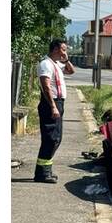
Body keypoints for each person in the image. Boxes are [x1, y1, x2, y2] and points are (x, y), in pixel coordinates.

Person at [35, 38, 74, 184]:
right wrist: (52, 106)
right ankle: (42, 174)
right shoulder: (46, 64)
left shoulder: (56, 64)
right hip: (50, 104)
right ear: (56, 49)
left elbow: (71, 71)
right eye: (63, 49)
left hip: (59, 103)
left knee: (56, 138)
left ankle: (46, 171)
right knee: (51, 138)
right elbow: (46, 87)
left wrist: (66, 60)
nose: (65, 52)